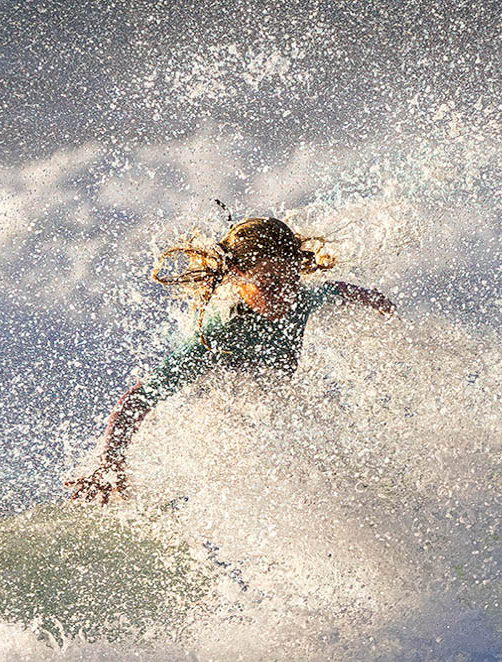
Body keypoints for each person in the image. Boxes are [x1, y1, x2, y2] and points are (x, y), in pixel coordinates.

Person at [65, 215, 395, 503]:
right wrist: (108, 467)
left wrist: (379, 305)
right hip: (223, 407)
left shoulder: (301, 300)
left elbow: (337, 290)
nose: (285, 294)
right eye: (269, 284)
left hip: (272, 405)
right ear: (237, 276)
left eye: (291, 279)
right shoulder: (217, 334)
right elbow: (138, 400)